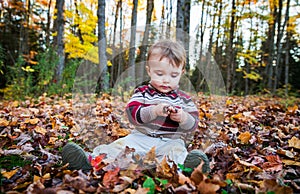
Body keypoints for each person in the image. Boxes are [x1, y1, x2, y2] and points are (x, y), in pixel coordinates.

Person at [62, 39, 210, 174]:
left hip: (170, 141)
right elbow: (133, 114)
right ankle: (90, 161)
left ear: (181, 73)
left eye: (173, 75)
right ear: (149, 71)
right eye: (160, 74)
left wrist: (182, 117)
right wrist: (154, 110)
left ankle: (190, 169)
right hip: (140, 138)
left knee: (177, 152)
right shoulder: (143, 92)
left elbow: (193, 123)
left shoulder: (183, 99)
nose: (166, 80)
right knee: (118, 148)